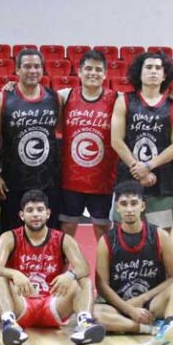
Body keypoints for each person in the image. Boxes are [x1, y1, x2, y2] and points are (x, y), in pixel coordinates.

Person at [0, 190, 106, 345]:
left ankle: (85, 323)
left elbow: (84, 267)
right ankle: (9, 324)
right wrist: (14, 273)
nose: (36, 214)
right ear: (22, 215)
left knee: (83, 280)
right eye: (30, 210)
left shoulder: (63, 239)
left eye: (40, 210)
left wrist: (70, 275)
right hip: (22, 303)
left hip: (53, 303)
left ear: (48, 213)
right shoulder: (9, 237)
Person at [93, 181, 173, 345]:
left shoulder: (160, 235)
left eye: (134, 203)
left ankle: (170, 325)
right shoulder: (106, 241)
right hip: (120, 304)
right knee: (95, 314)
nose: (129, 209)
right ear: (117, 208)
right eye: (124, 204)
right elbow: (101, 286)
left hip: (152, 302)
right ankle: (149, 329)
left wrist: (142, 299)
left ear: (143, 206)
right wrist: (130, 309)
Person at [111, 52, 173, 234]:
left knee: (161, 239)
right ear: (139, 72)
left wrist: (149, 165)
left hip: (163, 182)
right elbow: (116, 140)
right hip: (128, 179)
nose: (153, 71)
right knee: (123, 237)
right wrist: (138, 169)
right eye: (148, 67)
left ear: (165, 74)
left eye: (158, 68)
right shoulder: (124, 101)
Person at [0, 49, 63, 236]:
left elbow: (61, 131)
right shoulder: (1, 100)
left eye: (37, 66)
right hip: (13, 181)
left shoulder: (55, 98)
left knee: (49, 235)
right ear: (17, 70)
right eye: (27, 66)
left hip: (48, 181)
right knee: (11, 235)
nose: (32, 71)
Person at [58, 50, 119, 241]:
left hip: (103, 181)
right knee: (66, 231)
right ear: (79, 71)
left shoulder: (116, 99)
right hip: (70, 180)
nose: (93, 73)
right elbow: (35, 95)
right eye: (88, 69)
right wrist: (11, 86)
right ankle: (63, 271)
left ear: (105, 74)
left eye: (98, 69)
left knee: (103, 233)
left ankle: (103, 272)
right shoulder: (65, 97)